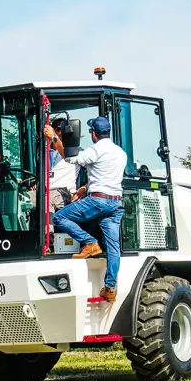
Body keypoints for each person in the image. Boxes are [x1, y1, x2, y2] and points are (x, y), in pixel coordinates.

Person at [47, 115, 127, 303]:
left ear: (94, 133)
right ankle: (110, 287)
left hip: (99, 201)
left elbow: (72, 158)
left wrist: (55, 139)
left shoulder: (95, 150)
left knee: (59, 218)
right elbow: (107, 178)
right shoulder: (120, 153)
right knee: (114, 248)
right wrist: (86, 187)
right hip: (116, 203)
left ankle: (90, 243)